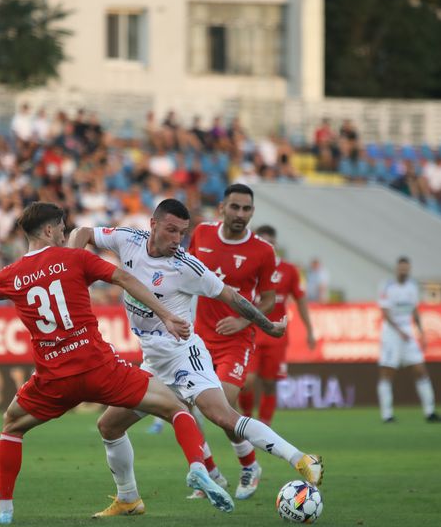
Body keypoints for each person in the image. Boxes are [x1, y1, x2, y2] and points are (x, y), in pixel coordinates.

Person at [0, 202, 231, 524]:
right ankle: (199, 467)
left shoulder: (11, 275)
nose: (64, 234)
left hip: (54, 376)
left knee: (12, 426)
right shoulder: (77, 258)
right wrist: (167, 314)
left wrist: (22, 282)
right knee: (176, 408)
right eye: (61, 229)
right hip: (99, 367)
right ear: (48, 230)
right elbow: (124, 279)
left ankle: (4, 512)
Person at [69, 199, 324, 510]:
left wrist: (266, 324)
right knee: (109, 425)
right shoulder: (127, 239)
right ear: (153, 224)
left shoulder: (187, 267)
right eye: (171, 230)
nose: (177, 239)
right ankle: (128, 499)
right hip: (152, 361)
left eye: (182, 233)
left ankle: (299, 458)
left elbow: (232, 296)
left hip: (183, 355)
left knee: (222, 416)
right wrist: (69, 266)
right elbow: (82, 232)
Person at [174, 184, 300, 499]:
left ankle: (249, 465)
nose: (240, 214)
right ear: (222, 208)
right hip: (198, 337)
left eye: (246, 209)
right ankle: (211, 474)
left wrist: (244, 320)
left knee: (222, 404)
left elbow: (270, 300)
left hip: (237, 339)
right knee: (188, 409)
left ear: (252, 213)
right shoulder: (201, 234)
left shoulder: (262, 251)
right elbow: (185, 276)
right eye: (235, 207)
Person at [237, 225, 316, 425]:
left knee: (270, 384)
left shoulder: (289, 270)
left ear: (275, 244)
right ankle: (246, 422)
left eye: (270, 243)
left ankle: (265, 425)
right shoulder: (248, 266)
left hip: (276, 335)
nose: (267, 247)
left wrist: (310, 330)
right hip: (251, 332)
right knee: (247, 383)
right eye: (263, 242)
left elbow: (300, 299)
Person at [377, 257, 441, 425]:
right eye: (401, 268)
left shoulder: (413, 287)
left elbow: (414, 311)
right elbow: (385, 314)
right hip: (391, 335)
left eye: (406, 268)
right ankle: (387, 415)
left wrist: (421, 332)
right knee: (387, 373)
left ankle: (430, 412)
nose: (403, 271)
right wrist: (399, 331)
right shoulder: (387, 286)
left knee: (420, 370)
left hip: (408, 334)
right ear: (396, 269)